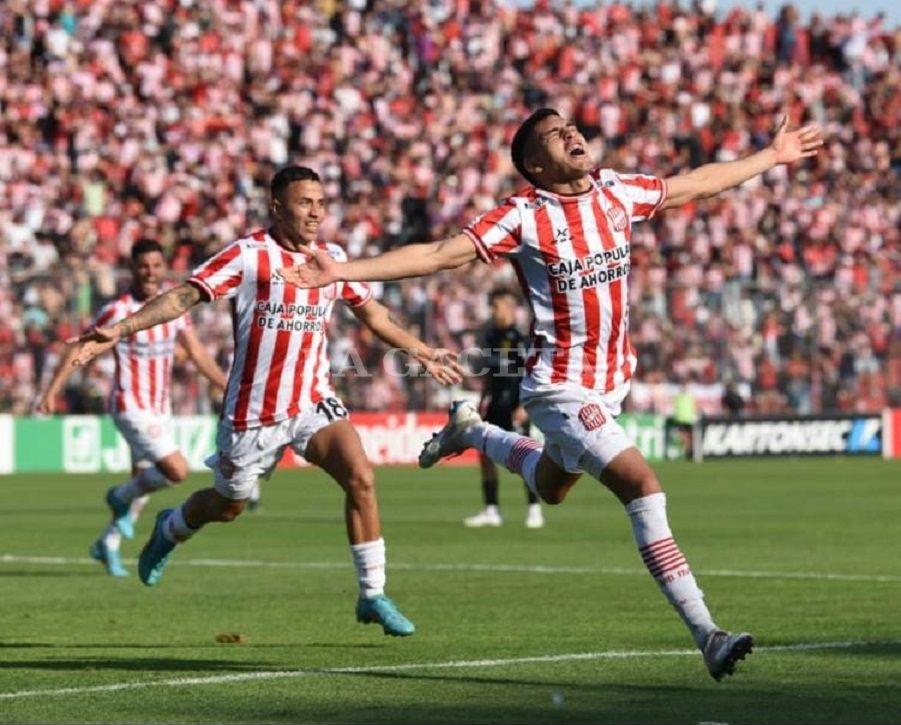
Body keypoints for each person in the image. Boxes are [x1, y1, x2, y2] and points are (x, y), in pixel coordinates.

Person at [278, 110, 824, 677]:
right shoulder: (524, 215)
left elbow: (699, 182)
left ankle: (474, 432)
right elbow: (439, 254)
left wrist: (773, 156)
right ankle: (708, 633)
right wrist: (341, 273)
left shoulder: (618, 191)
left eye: (570, 127)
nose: (571, 134)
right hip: (560, 385)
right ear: (536, 165)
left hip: (611, 383)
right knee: (643, 486)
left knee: (551, 486)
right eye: (553, 136)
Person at [72, 166, 463, 637]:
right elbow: (181, 298)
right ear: (277, 207)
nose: (316, 211)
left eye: (320, 202)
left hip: (312, 400)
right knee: (228, 505)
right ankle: (170, 526)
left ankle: (373, 594)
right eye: (305, 202)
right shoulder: (248, 255)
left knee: (360, 475)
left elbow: (373, 313)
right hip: (252, 414)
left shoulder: (333, 259)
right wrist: (120, 329)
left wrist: (419, 350)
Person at [35, 239, 228, 577]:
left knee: (142, 483)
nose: (150, 272)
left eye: (156, 265)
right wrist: (52, 391)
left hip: (159, 407)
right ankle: (117, 497)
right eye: (143, 265)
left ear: (162, 267)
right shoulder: (118, 311)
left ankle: (106, 545)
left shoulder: (175, 308)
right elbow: (79, 347)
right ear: (133, 268)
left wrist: (227, 386)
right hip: (129, 403)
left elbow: (197, 353)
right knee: (177, 471)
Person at [465, 288, 543, 529]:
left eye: (497, 306)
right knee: (485, 455)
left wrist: (525, 406)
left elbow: (534, 373)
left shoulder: (522, 337)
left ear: (509, 307)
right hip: (495, 401)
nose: (493, 311)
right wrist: (483, 400)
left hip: (516, 403)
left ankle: (534, 508)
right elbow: (489, 373)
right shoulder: (489, 336)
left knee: (523, 456)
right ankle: (491, 510)